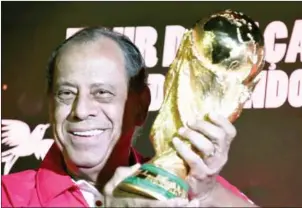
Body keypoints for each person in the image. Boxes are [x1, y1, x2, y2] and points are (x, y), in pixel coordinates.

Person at [2, 27, 257, 207]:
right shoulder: (7, 196)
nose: (80, 110)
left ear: (140, 106)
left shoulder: (187, 181)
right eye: (66, 93)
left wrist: (208, 194)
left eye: (102, 93)